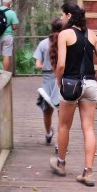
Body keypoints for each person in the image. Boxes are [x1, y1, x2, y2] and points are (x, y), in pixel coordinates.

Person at [49, 2, 97, 187]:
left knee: (64, 125)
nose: (60, 18)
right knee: (88, 128)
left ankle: (61, 164)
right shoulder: (91, 34)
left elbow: (60, 65)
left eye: (62, 15)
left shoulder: (65, 34)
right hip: (90, 83)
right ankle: (88, 172)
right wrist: (95, 80)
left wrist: (59, 81)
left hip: (71, 84)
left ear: (68, 16)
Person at [34, 17, 63, 145]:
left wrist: (47, 66)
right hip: (62, 81)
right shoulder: (67, 43)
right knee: (62, 112)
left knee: (47, 112)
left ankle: (48, 134)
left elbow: (37, 65)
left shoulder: (43, 43)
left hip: (47, 82)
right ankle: (60, 142)